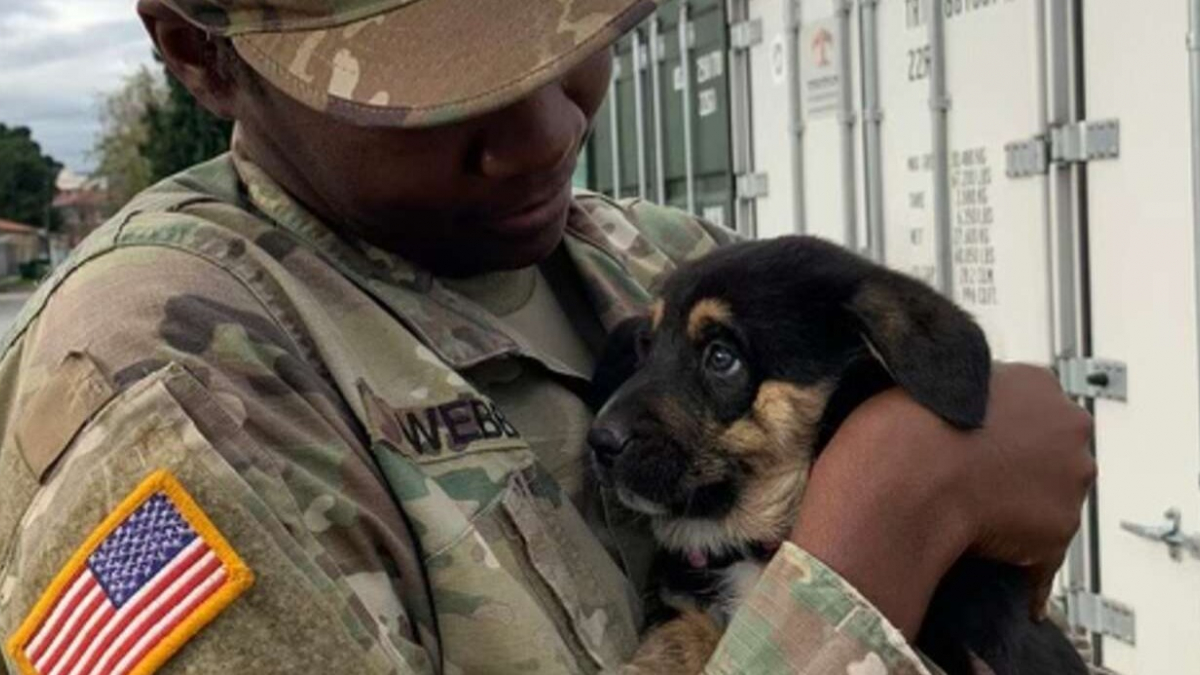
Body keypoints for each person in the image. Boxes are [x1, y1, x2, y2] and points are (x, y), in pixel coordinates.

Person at [0, 1, 1095, 674]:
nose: (551, 130)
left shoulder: (646, 255)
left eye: (556, 27)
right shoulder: (168, 381)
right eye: (424, 85)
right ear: (200, 52)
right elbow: (907, 525)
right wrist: (884, 533)